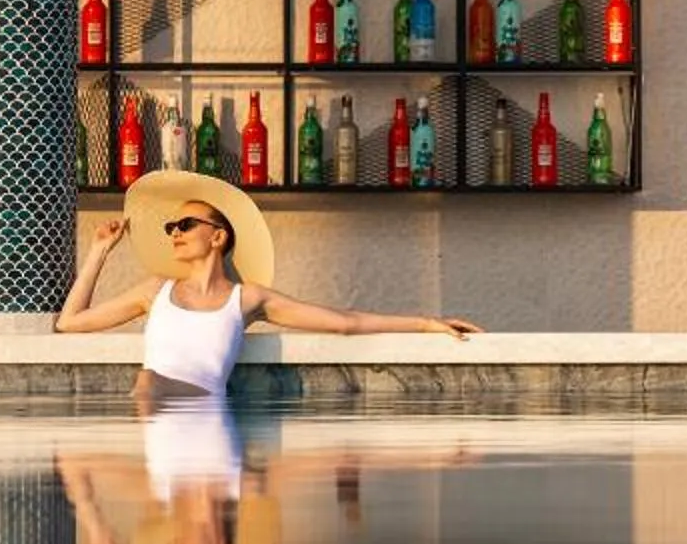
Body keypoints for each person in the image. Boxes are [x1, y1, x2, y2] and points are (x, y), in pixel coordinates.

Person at [55, 167, 477, 390]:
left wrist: (426, 323)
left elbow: (344, 322)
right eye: (171, 228)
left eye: (185, 224)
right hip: (149, 420)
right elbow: (69, 323)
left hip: (204, 420)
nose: (176, 233)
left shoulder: (247, 299)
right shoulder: (155, 292)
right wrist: (98, 252)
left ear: (218, 236)